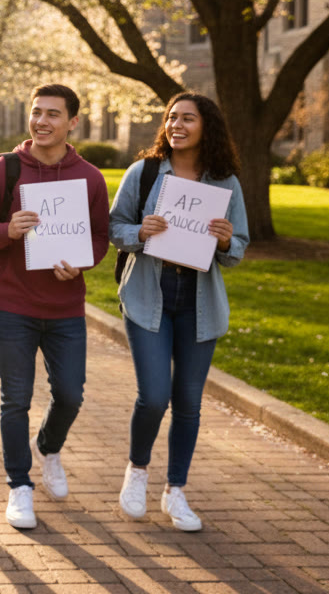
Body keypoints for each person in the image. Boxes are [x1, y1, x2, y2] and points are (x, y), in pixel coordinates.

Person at [0, 83, 110, 530]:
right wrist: (7, 231)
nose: (42, 121)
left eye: (52, 114)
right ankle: (19, 486)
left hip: (66, 305)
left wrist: (82, 262)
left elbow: (100, 237)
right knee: (16, 398)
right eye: (36, 112)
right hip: (12, 303)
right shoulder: (3, 170)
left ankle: (47, 447)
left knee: (70, 394)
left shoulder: (89, 178)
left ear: (72, 123)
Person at [110, 92, 249, 532]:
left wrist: (226, 241)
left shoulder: (224, 183)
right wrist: (140, 231)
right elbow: (114, 228)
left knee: (188, 402)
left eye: (188, 118)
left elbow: (237, 249)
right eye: (172, 117)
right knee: (153, 396)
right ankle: (136, 471)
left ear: (206, 126)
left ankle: (176, 491)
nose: (177, 125)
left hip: (198, 300)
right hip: (149, 294)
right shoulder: (145, 172)